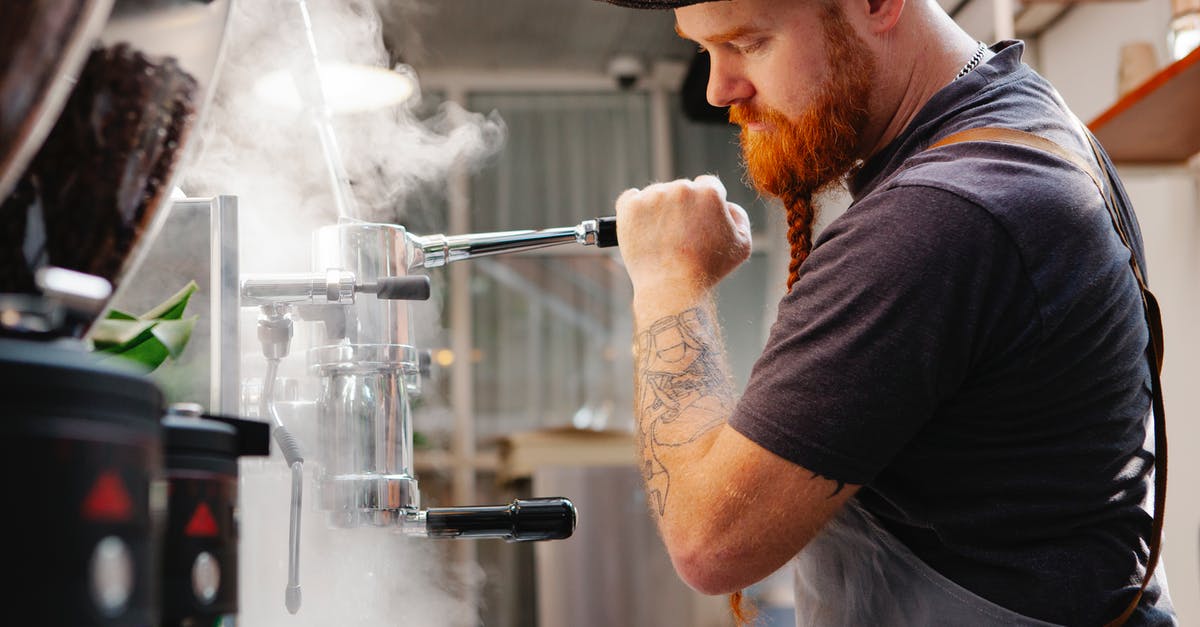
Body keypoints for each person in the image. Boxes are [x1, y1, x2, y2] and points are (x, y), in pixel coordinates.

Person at [599, 0, 1177, 624]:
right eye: (704, 48)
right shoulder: (1030, 121)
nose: (718, 89)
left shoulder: (942, 216)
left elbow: (709, 541)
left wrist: (667, 275)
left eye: (750, 42)